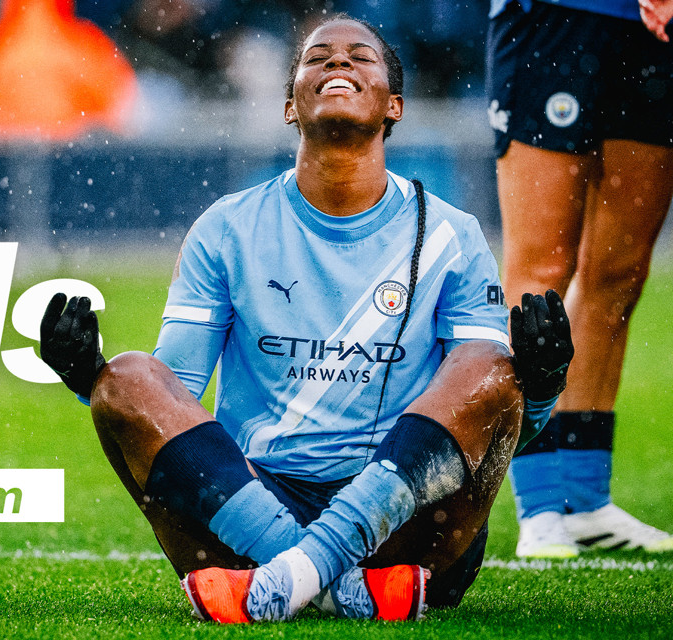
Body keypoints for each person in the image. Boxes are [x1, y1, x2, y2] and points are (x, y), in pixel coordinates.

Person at [40, 16, 573, 623]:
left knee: (488, 363)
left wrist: (542, 382)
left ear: (393, 106)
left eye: (359, 58)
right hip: (253, 505)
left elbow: (495, 425)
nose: (339, 64)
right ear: (291, 105)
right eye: (318, 58)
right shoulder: (228, 226)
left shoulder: (453, 234)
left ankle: (290, 579)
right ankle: (329, 583)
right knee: (129, 375)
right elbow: (169, 396)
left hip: (404, 519)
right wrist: (89, 379)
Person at [487, 0, 673, 558]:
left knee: (620, 272)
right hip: (559, 14)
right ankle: (540, 509)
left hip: (654, 31)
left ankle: (587, 501)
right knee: (541, 268)